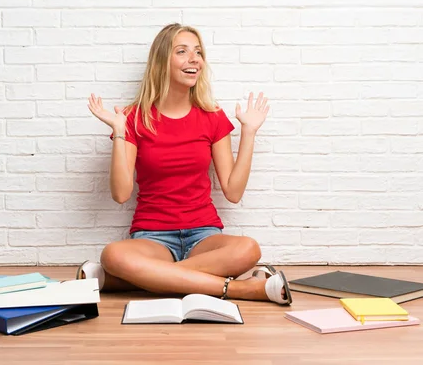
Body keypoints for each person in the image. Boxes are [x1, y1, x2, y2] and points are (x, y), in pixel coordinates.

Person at [79, 23, 292, 305]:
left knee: (249, 249)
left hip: (204, 235)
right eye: (182, 52)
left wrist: (249, 132)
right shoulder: (132, 117)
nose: (195, 59)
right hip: (152, 237)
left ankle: (132, 280)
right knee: (113, 255)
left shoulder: (213, 116)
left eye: (198, 52)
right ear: (161, 61)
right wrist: (120, 131)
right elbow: (120, 194)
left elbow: (233, 191)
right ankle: (245, 290)